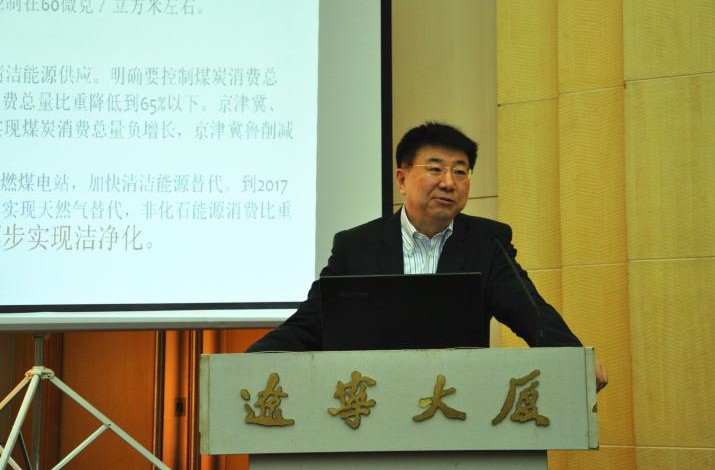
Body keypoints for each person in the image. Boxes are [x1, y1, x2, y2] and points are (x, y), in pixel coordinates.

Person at [247, 122, 607, 391]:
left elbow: (532, 313)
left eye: (460, 171)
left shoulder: (486, 243)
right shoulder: (357, 247)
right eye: (435, 169)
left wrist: (574, 359)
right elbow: (312, 324)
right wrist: (244, 367)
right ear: (402, 179)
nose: (449, 182)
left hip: (455, 402)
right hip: (371, 403)